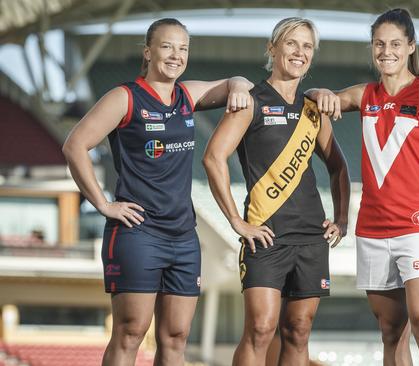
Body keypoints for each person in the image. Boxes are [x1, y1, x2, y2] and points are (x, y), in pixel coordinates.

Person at [62, 18, 253, 366]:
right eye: (167, 47)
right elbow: (75, 145)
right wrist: (104, 204)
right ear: (148, 52)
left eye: (183, 49)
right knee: (131, 332)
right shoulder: (125, 97)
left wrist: (239, 84)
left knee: (176, 337)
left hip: (183, 235)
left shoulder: (187, 95)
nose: (175, 55)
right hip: (138, 233)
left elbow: (234, 83)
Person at [307, 8, 419, 366]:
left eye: (395, 44)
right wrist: (321, 90)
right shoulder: (365, 94)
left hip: (418, 229)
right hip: (371, 231)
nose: (386, 51)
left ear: (410, 47)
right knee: (391, 332)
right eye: (379, 44)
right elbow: (315, 96)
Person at [202, 17, 350, 366]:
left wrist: (342, 219)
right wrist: (237, 221)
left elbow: (338, 167)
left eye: (307, 47)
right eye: (291, 44)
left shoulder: (314, 109)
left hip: (312, 237)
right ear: (273, 48)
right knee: (260, 328)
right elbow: (212, 158)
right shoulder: (250, 101)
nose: (299, 53)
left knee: (298, 331)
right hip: (265, 237)